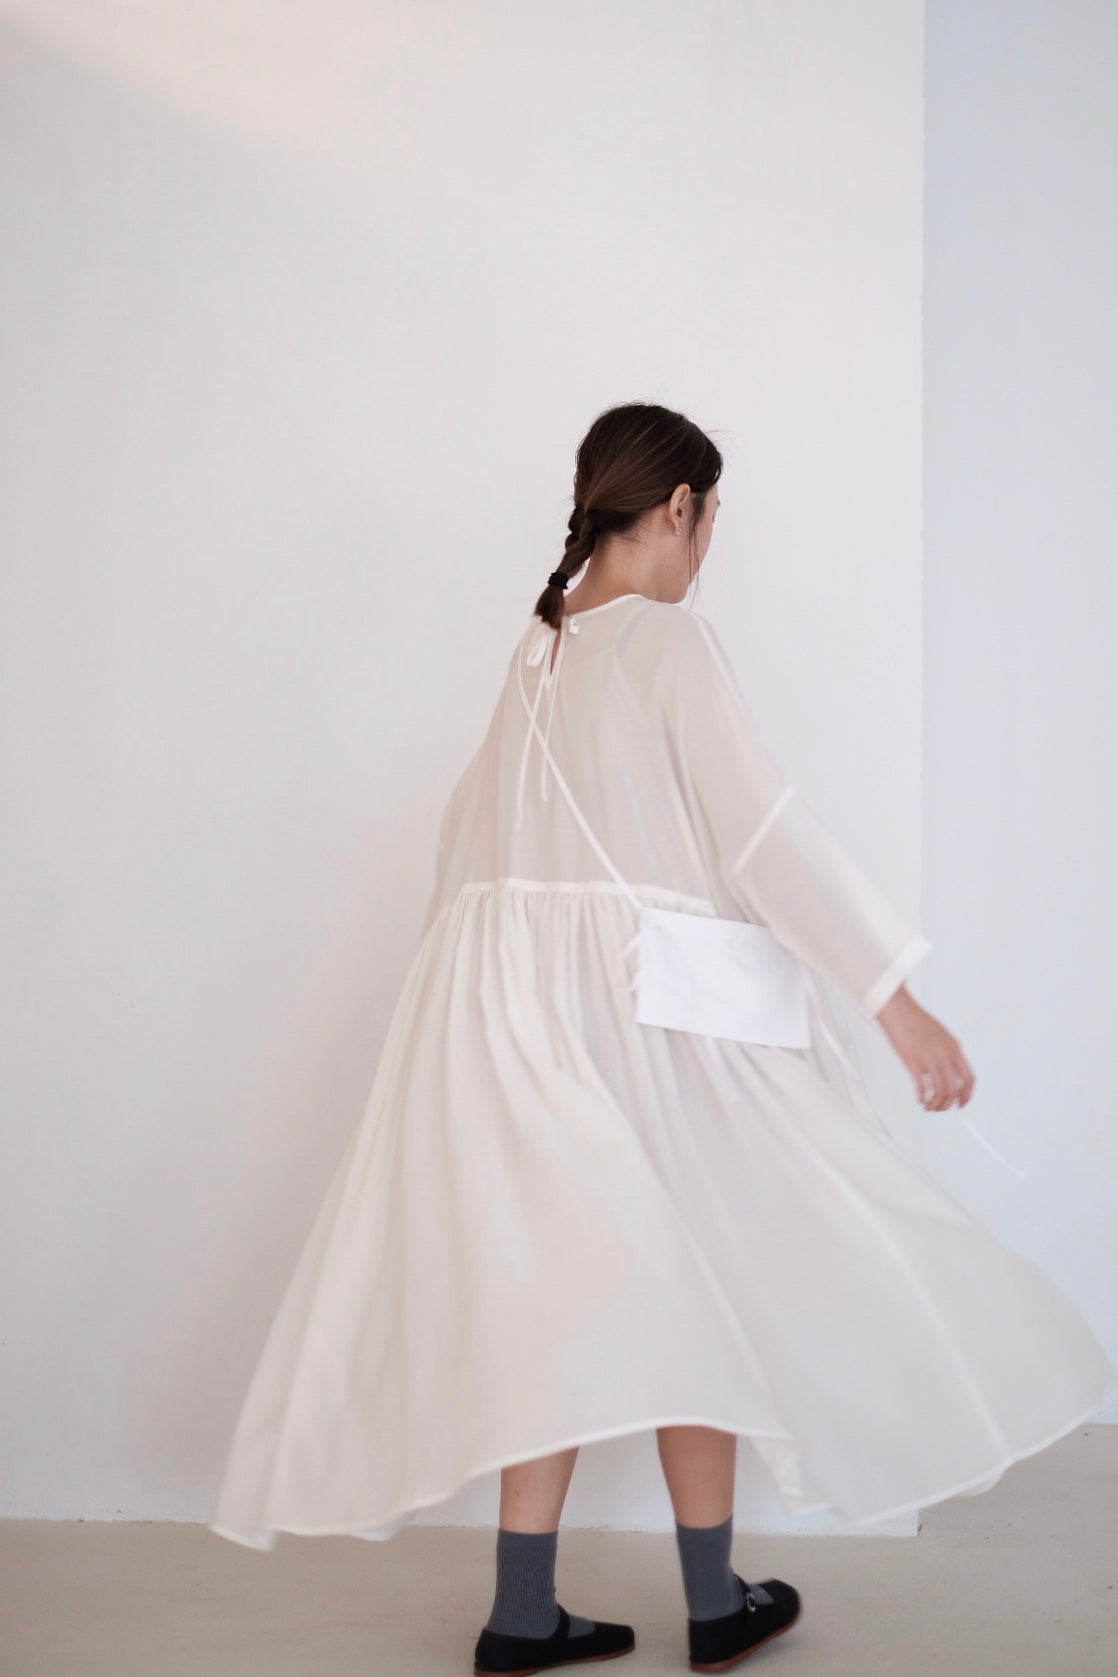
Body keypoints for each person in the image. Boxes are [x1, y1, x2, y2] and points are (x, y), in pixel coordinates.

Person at [210, 403, 1118, 1676]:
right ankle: (711, 1602)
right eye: (711, 518)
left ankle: (522, 1614)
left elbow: (469, 841)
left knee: (555, 1307)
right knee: (704, 1284)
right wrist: (891, 999)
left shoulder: (535, 650)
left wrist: (461, 1017)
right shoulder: (665, 642)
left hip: (510, 1029)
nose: (709, 548)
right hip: (647, 1027)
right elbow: (762, 833)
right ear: (678, 506)